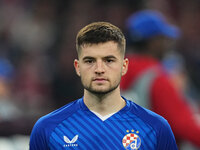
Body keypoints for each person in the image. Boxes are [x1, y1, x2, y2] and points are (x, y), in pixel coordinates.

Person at [29, 22, 178, 150]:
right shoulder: (47, 129)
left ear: (124, 66)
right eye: (89, 61)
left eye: (109, 60)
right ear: (77, 67)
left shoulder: (156, 128)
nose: (99, 69)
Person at [120, 10, 200, 149]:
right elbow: (184, 125)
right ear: (153, 42)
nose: (167, 44)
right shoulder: (155, 78)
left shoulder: (115, 73)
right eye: (163, 39)